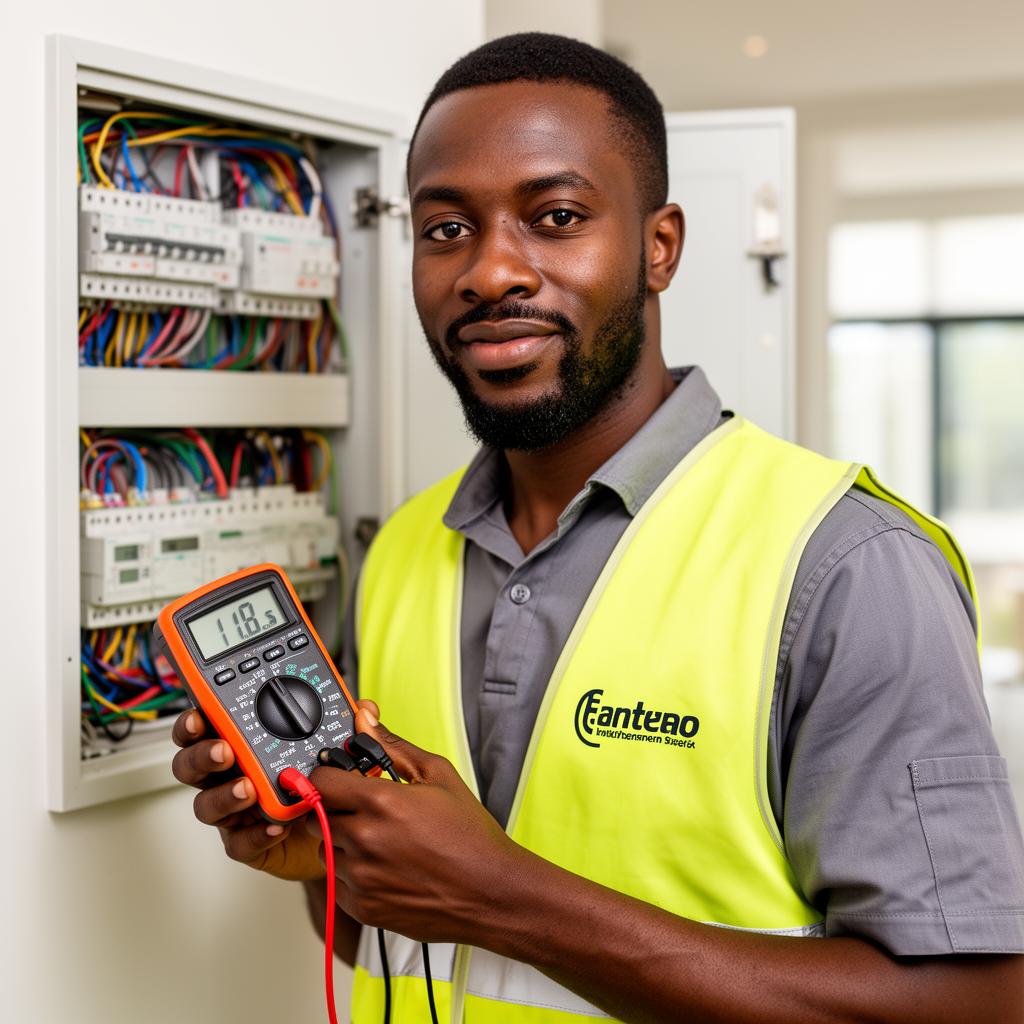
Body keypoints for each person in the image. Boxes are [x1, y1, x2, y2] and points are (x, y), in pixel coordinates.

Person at [171, 32, 1024, 1022]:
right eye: (445, 228)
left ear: (658, 246)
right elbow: (389, 933)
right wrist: (325, 858)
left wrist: (507, 898)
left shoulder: (845, 565)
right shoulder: (403, 548)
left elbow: (972, 1003)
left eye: (556, 215)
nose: (490, 270)